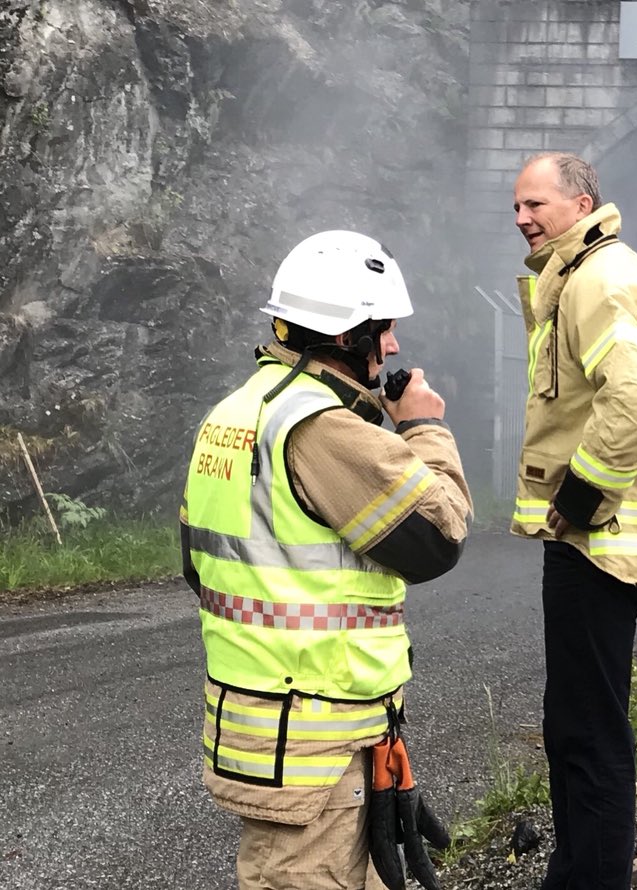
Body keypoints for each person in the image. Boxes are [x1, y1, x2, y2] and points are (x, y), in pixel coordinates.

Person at [179, 230, 472, 890]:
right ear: (347, 337)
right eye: (386, 329)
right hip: (318, 740)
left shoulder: (235, 414)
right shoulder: (321, 426)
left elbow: (201, 566)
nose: (393, 345)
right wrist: (422, 427)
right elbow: (438, 536)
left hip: (267, 727)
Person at [510, 152, 637, 890]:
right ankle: (581, 868)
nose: (523, 218)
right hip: (601, 541)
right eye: (517, 207)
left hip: (599, 541)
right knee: (580, 722)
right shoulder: (596, 272)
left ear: (581, 200)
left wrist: (583, 499)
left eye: (536, 204)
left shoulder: (596, 280)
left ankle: (589, 879)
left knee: (586, 730)